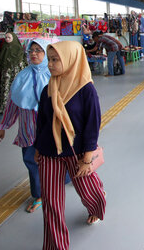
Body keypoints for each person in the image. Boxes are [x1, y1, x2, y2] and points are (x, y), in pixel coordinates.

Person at [34, 41, 106, 249]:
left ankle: (97, 208)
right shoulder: (49, 89)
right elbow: (42, 121)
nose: (50, 64)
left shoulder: (86, 90)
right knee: (51, 203)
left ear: (71, 60)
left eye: (55, 59)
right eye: (50, 59)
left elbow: (93, 124)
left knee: (88, 191)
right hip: (49, 151)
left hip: (77, 153)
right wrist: (38, 147)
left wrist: (87, 158)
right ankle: (56, 246)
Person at [0, 39, 51, 213]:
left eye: (38, 50)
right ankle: (39, 194)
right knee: (32, 161)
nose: (33, 53)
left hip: (51, 130)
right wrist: (3, 125)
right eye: (31, 50)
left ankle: (61, 181)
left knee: (55, 159)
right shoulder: (21, 76)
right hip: (28, 130)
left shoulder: (54, 74)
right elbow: (13, 103)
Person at [0, 31, 28, 113]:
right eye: (6, 37)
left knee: (16, 89)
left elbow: (22, 62)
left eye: (9, 37)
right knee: (6, 88)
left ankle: (17, 108)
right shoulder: (4, 47)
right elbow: (1, 60)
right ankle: (5, 108)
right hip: (6, 72)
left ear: (13, 38)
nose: (7, 39)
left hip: (16, 72)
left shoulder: (18, 49)